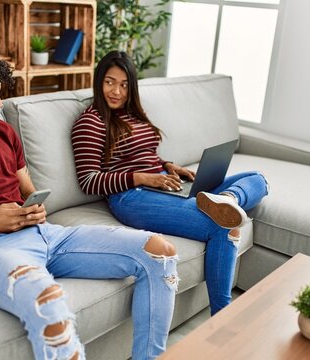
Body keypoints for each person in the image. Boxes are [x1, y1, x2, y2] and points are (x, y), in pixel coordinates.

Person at [0, 44, 178, 360]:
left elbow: (27, 187)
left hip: (44, 234)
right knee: (49, 302)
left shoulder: (2, 132)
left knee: (159, 252)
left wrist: (33, 205)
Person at [72, 50, 269, 316]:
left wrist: (168, 166)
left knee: (257, 179)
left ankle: (229, 200)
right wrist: (143, 177)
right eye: (109, 82)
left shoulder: (134, 115)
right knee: (223, 225)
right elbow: (89, 181)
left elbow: (147, 155)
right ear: (99, 82)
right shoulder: (91, 122)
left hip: (161, 183)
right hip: (131, 196)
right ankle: (223, 317)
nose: (116, 91)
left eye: (123, 84)